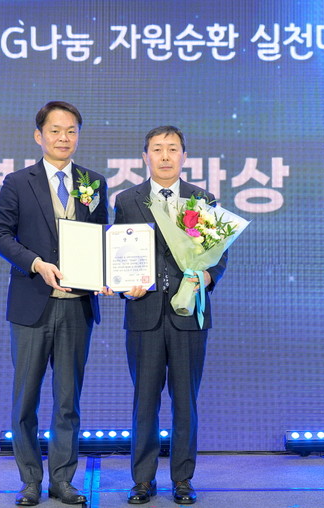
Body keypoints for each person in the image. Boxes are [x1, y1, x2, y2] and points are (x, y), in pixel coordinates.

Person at [0, 101, 108, 506]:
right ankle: (29, 481)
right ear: (39, 135)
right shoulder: (17, 182)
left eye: (71, 131)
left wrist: (107, 275)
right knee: (25, 400)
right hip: (32, 304)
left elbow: (101, 239)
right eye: (55, 130)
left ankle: (62, 480)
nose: (63, 138)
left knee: (67, 401)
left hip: (77, 306)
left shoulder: (93, 182)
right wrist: (35, 263)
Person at [113, 126, 228, 505]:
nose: (165, 156)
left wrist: (207, 276)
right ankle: (142, 481)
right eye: (158, 149)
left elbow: (218, 252)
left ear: (184, 156)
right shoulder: (127, 200)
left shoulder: (202, 199)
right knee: (144, 402)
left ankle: (182, 479)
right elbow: (118, 253)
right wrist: (122, 285)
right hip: (143, 314)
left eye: (173, 149)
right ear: (145, 156)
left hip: (189, 314)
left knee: (185, 401)